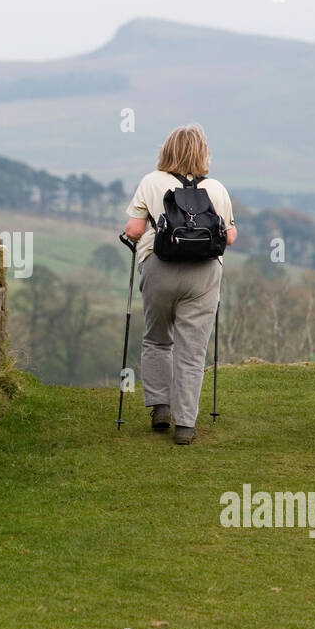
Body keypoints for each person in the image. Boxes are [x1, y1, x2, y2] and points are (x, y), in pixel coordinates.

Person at [123, 124, 237, 445]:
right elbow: (229, 236)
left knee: (157, 338)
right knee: (192, 351)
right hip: (203, 274)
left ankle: (160, 407)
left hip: (159, 268)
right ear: (203, 154)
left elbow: (133, 229)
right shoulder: (217, 189)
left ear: (166, 150)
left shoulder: (151, 181)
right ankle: (185, 425)